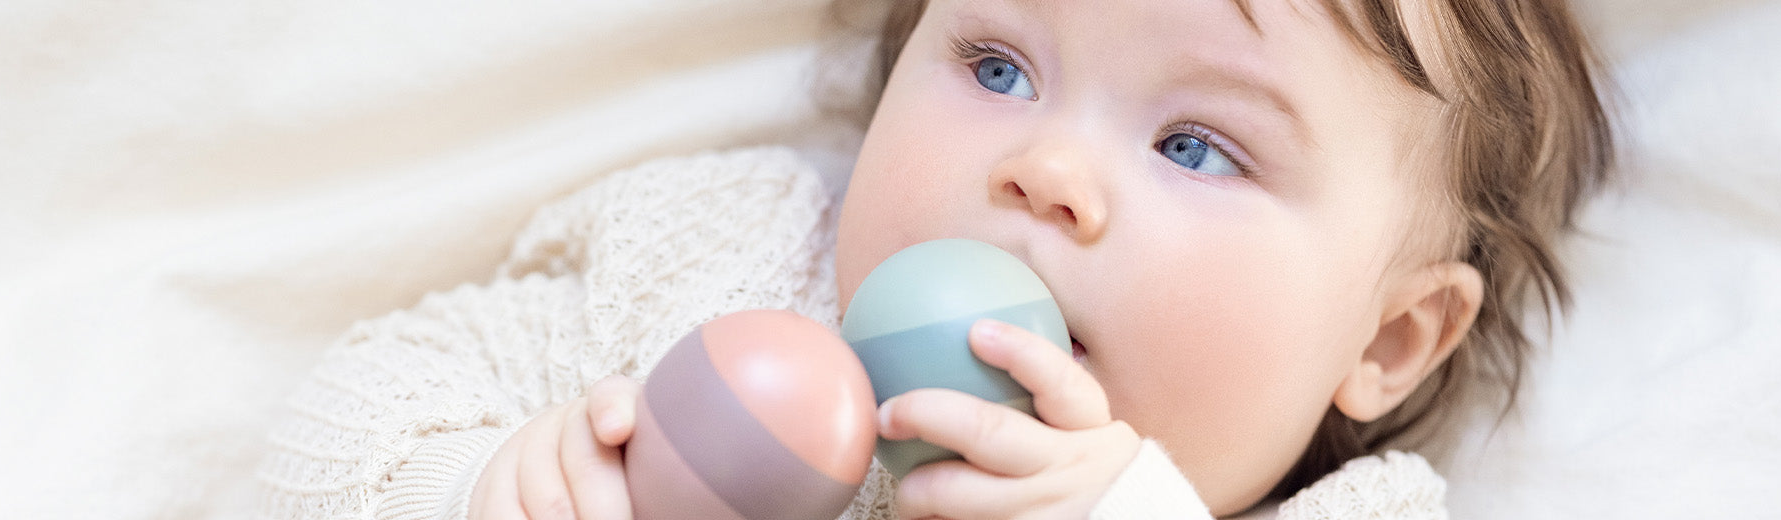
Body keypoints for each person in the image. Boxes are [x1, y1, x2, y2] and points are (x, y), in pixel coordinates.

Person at [259, 0, 1612, 517]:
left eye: (1198, 146)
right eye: (997, 64)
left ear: (1385, 340)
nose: (1047, 172)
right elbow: (330, 434)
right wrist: (483, 481)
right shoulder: (723, 269)